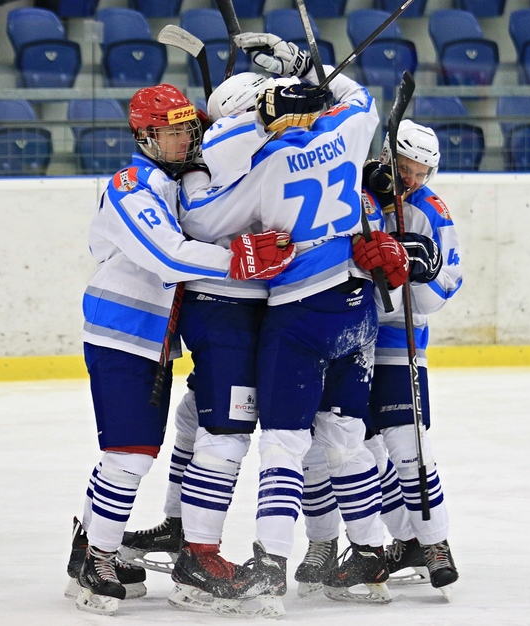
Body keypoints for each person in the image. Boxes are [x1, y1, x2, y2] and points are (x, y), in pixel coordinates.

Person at [172, 33, 409, 618]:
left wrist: (204, 166)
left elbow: (200, 220)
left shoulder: (263, 166)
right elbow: (361, 100)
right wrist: (306, 64)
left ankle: (271, 565)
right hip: (356, 306)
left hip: (299, 315)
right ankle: (370, 555)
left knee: (283, 442)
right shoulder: (344, 131)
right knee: (345, 436)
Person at [69, 83, 296, 617]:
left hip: (152, 340)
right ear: (144, 137)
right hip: (122, 333)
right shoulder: (130, 185)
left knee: (130, 452)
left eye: (187, 130)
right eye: (169, 133)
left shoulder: (174, 182)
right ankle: (97, 559)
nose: (181, 141)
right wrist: (237, 258)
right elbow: (168, 256)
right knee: (129, 454)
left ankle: (88, 547)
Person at [295, 120, 464, 597]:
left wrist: (417, 272)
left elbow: (444, 287)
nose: (412, 180)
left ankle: (434, 544)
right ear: (387, 157)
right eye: (406, 168)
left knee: (408, 443)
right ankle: (359, 541)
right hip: (343, 332)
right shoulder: (353, 188)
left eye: (422, 173)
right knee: (347, 448)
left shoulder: (429, 210)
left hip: (394, 335)